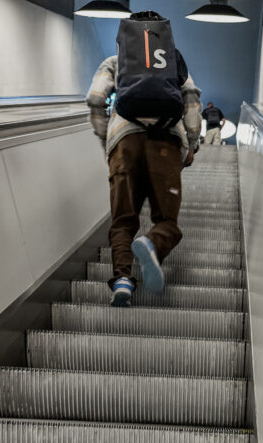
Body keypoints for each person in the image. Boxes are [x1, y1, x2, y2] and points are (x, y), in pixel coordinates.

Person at [86, 10, 202, 306]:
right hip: (166, 142)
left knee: (123, 221)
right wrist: (191, 144)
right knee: (168, 221)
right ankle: (152, 243)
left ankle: (123, 280)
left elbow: (96, 98)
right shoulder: (172, 60)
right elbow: (191, 99)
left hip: (124, 143)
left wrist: (106, 141)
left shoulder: (113, 63)